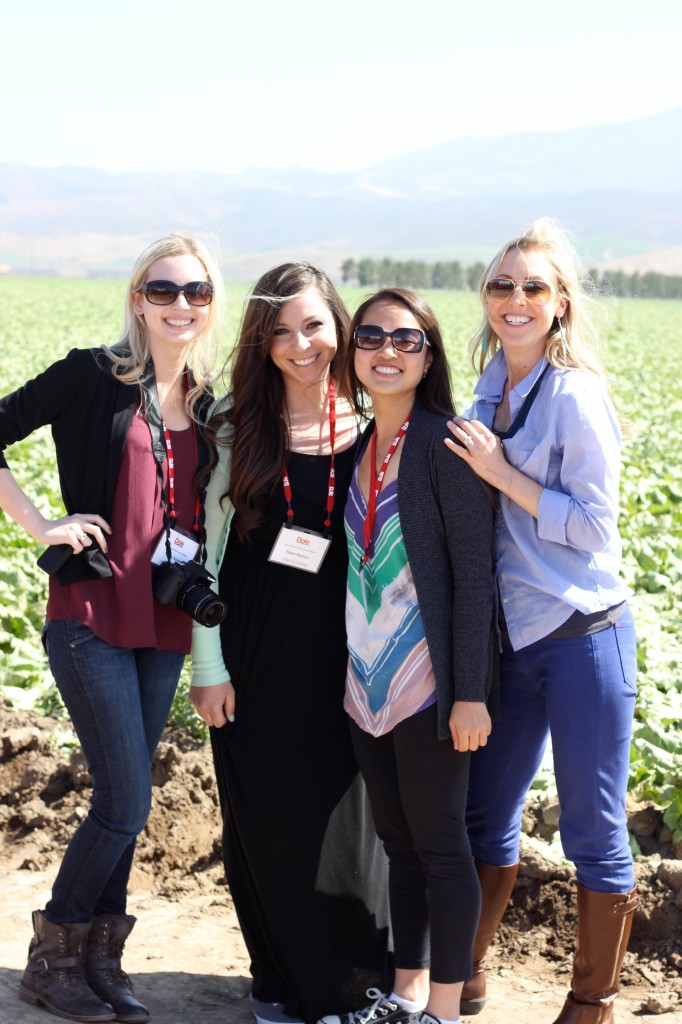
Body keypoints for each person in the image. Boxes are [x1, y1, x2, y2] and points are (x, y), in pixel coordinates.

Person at [0, 233, 223, 1024]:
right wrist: (39, 523)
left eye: (196, 291)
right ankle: (52, 955)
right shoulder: (89, 376)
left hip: (163, 621)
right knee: (126, 798)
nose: (180, 305)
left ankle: (101, 960)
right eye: (163, 290)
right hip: (91, 613)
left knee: (124, 797)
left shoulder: (208, 400)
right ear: (137, 298)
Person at [444, 218, 637, 1024]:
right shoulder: (487, 391)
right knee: (485, 815)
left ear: (560, 304)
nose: (514, 300)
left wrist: (499, 472)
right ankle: (470, 974)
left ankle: (591, 1002)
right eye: (500, 286)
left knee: (593, 826)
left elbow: (596, 527)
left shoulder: (576, 397)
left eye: (532, 287)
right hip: (511, 641)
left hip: (583, 634)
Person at [189, 263, 392, 1024]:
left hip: (352, 656)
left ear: (338, 326)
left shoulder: (378, 421)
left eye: (312, 324)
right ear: (261, 342)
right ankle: (278, 981)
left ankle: (352, 989)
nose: (299, 343)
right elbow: (204, 553)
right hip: (255, 654)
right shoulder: (235, 425)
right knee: (266, 825)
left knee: (353, 827)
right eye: (280, 330)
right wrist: (207, 664)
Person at [319, 289, 498, 1024]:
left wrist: (470, 692)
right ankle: (405, 996)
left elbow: (474, 577)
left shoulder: (444, 443)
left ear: (429, 357)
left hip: (432, 685)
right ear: (353, 354)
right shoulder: (358, 447)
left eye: (406, 339)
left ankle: (445, 1013)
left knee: (442, 846)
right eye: (371, 336)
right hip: (367, 682)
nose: (386, 351)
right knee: (398, 845)